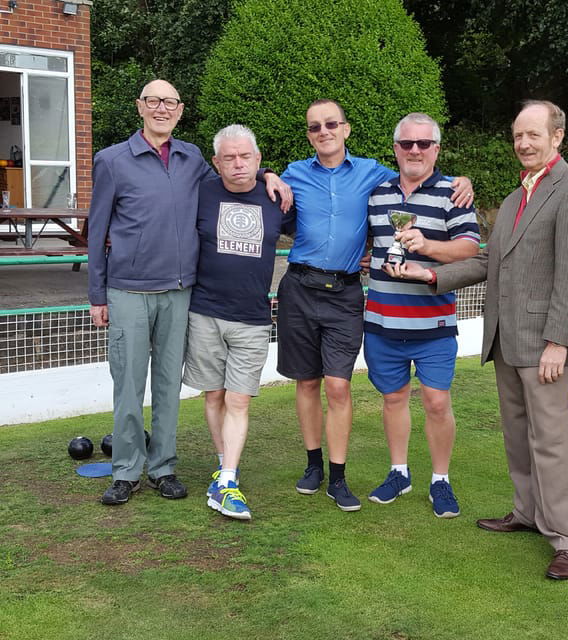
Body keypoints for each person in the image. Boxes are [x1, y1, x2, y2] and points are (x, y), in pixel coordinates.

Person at [394, 101, 568, 579]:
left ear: (557, 137)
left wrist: (559, 341)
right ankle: (527, 513)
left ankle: (567, 538)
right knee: (519, 437)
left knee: (553, 441)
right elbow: (489, 264)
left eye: (533, 135)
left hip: (543, 342)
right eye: (518, 135)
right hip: (504, 338)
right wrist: (430, 275)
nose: (523, 143)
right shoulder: (513, 198)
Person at [88, 80, 288, 506]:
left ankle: (162, 467)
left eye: (170, 102)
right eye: (153, 101)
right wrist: (97, 295)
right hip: (128, 290)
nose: (162, 108)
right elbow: (97, 230)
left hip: (181, 292)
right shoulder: (111, 161)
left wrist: (270, 174)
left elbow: (236, 174)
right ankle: (125, 471)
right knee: (127, 383)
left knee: (167, 385)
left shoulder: (191, 157)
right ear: (140, 106)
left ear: (180, 110)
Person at [276, 99, 473, 511]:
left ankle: (385, 477)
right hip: (319, 293)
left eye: (332, 123)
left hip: (362, 296)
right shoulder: (300, 174)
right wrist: (265, 173)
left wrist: (464, 180)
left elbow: (461, 234)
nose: (323, 131)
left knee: (346, 386)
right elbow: (255, 180)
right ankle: (325, 467)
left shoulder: (375, 175)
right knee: (316, 384)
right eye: (315, 126)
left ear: (346, 129)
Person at [363, 113, 480, 518]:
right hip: (381, 320)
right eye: (407, 144)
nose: (415, 150)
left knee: (435, 401)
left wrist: (427, 247)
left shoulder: (454, 193)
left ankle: (440, 480)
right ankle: (399, 472)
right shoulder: (376, 192)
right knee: (393, 398)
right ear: (395, 148)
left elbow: (469, 248)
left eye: (424, 144)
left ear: (437, 149)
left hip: (433, 323)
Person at [182, 124, 295, 520]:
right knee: (213, 396)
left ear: (259, 159)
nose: (237, 164)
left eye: (245, 156)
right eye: (228, 158)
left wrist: (271, 178)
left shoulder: (277, 199)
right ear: (216, 163)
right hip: (204, 312)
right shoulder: (201, 192)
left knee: (239, 398)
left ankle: (228, 479)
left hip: (252, 317)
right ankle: (223, 464)